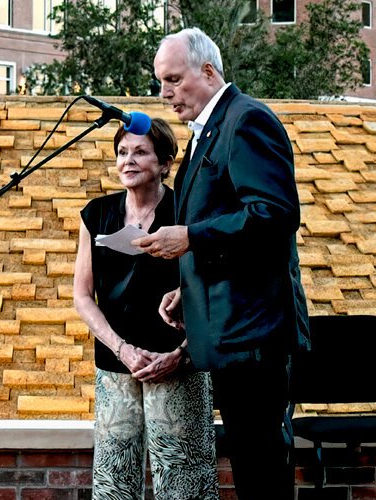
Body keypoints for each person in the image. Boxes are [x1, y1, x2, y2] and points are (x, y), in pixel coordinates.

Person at [133, 27, 310, 499]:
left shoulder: (247, 120)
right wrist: (186, 288)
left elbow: (274, 216)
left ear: (208, 71)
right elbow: (227, 225)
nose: (164, 94)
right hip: (230, 332)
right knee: (253, 468)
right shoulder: (210, 129)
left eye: (172, 80)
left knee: (262, 472)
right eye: (160, 82)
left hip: (253, 335)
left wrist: (189, 237)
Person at [74, 117, 219, 500]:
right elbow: (82, 296)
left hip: (177, 365)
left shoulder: (186, 214)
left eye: (140, 152)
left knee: (185, 484)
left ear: (165, 163)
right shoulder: (96, 214)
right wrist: (121, 349)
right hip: (115, 367)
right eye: (122, 152)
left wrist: (180, 355)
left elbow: (210, 292)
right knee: (113, 486)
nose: (128, 160)